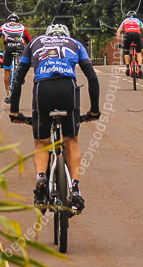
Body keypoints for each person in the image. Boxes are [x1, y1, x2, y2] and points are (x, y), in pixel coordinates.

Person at [9, 23, 100, 211]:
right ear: (66, 35)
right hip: (68, 89)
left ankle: (41, 179)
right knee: (71, 141)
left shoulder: (35, 42)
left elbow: (18, 78)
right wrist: (94, 110)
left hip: (44, 89)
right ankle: (75, 190)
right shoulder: (75, 43)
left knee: (41, 143)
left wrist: (14, 111)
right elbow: (92, 77)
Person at [0, 13, 32, 101]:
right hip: (20, 48)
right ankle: (22, 77)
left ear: (8, 21)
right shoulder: (22, 27)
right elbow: (29, 41)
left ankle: (8, 94)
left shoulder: (3, 27)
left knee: (7, 70)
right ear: (17, 21)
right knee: (23, 65)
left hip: (8, 48)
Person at [115, 11, 143, 78]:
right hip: (136, 34)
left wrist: (119, 43)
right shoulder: (138, 20)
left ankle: (128, 67)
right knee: (139, 52)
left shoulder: (125, 21)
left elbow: (118, 32)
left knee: (126, 51)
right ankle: (139, 68)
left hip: (127, 35)